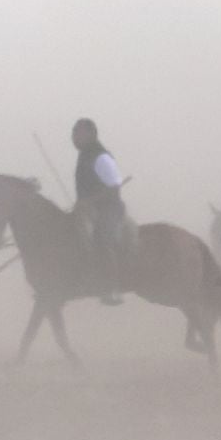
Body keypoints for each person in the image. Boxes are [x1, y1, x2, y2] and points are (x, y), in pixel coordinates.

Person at [70, 117, 131, 303]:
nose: (73, 137)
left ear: (91, 134)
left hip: (109, 210)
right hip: (89, 210)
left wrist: (88, 202)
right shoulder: (85, 155)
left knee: (102, 239)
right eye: (73, 133)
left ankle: (112, 288)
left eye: (78, 133)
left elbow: (114, 187)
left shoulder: (101, 157)